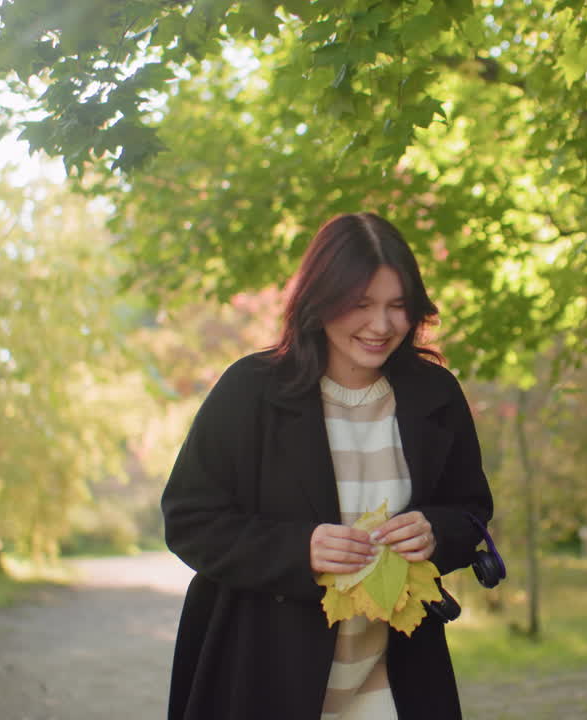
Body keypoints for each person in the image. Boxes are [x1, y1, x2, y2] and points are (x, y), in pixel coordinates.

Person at [161, 212, 494, 719]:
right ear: (320, 301)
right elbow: (190, 521)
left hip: (398, 684)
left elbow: (469, 511)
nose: (382, 326)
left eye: (398, 307)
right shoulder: (250, 391)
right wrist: (301, 549)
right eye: (361, 304)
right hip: (265, 679)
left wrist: (435, 532)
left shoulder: (436, 395)